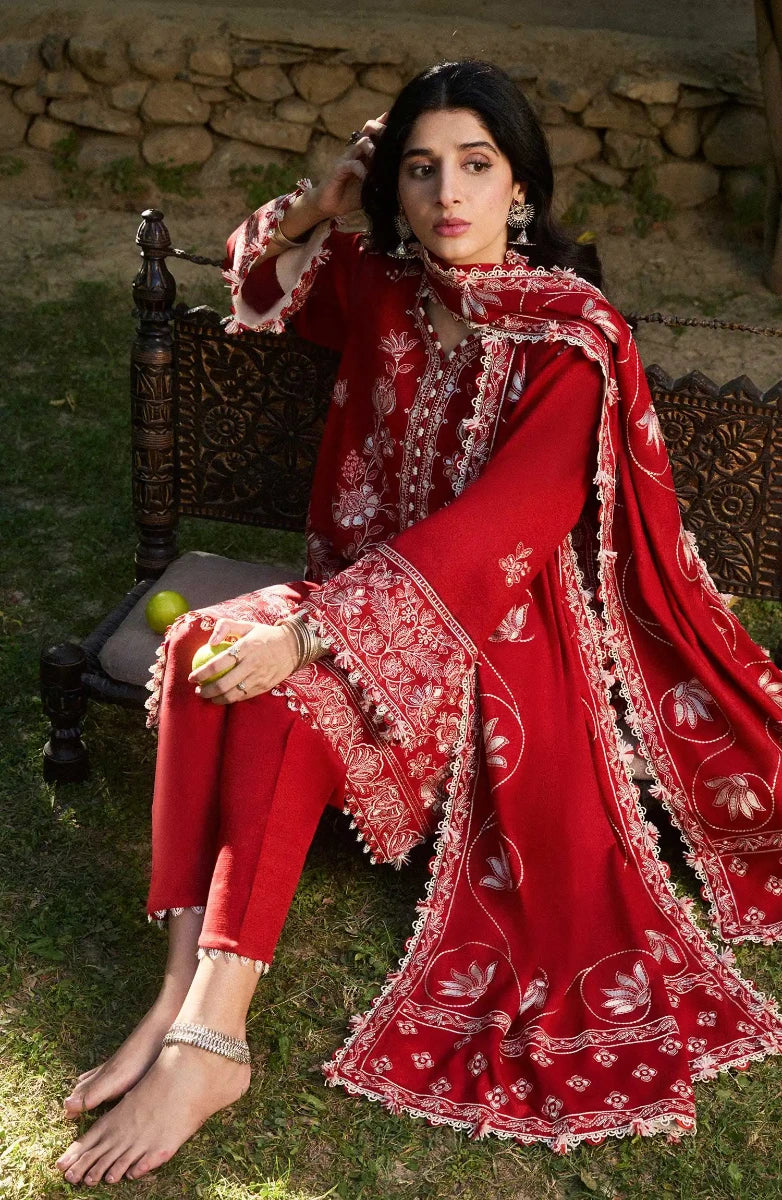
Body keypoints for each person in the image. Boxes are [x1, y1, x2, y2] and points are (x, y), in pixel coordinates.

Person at [56, 59, 782, 1184]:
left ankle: (214, 1044)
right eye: (421, 170)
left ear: (520, 186)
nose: (449, 195)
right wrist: (321, 200)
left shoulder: (570, 342)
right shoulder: (386, 286)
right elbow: (256, 280)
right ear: (392, 186)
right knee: (205, 645)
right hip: (360, 600)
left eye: (476, 167)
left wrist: (306, 638)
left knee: (282, 687)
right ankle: (175, 1001)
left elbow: (492, 536)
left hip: (500, 647)